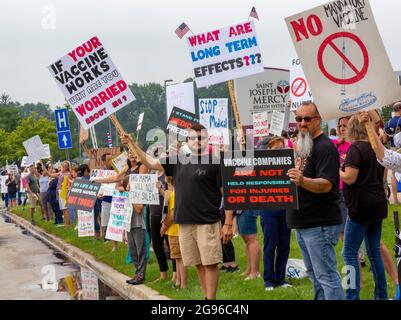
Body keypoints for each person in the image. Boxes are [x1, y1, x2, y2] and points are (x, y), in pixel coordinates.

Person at [120, 124, 233, 300]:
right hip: (185, 222)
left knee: (210, 263)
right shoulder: (178, 160)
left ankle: (211, 300)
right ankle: (206, 297)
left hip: (207, 221)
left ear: (207, 139)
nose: (197, 141)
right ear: (188, 140)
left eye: (201, 137)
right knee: (197, 263)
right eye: (193, 138)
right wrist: (132, 143)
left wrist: (227, 223)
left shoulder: (215, 162)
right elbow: (149, 162)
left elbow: (227, 195)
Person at [287, 102, 344, 300]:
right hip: (303, 222)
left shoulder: (325, 147)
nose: (302, 123)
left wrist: (302, 181)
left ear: (318, 120)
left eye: (307, 119)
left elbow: (327, 184)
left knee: (326, 276)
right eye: (298, 119)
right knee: (314, 275)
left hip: (319, 224)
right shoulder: (304, 146)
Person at [340, 115, 388, 300]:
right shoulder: (376, 148)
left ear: (353, 129)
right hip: (377, 204)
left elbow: (350, 177)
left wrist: (339, 171)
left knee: (348, 252)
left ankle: (352, 296)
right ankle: (381, 295)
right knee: (374, 252)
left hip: (361, 208)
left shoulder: (355, 148)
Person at [259, 137, 292, 291]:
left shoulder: (289, 165)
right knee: (270, 245)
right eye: (276, 149)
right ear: (268, 151)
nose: (280, 151)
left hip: (285, 211)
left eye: (282, 148)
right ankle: (269, 280)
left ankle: (280, 278)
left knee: (284, 245)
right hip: (268, 211)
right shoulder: (262, 166)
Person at [161, 176, 187, 289]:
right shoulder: (179, 193)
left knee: (180, 258)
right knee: (177, 258)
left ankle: (183, 284)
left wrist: (164, 227)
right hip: (177, 230)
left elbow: (172, 215)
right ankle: (178, 282)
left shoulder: (174, 195)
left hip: (174, 230)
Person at [383, 102, 401, 204]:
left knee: (394, 176)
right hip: (399, 148)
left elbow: (385, 140)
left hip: (394, 149)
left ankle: (395, 199)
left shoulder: (388, 123)